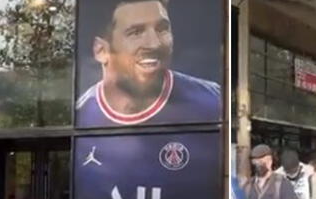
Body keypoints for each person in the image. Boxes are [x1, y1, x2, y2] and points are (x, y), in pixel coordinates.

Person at [76, 0, 221, 127]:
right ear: (101, 51)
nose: (154, 44)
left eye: (162, 29)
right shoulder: (80, 116)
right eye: (136, 32)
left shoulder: (214, 101)